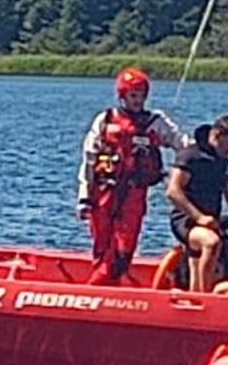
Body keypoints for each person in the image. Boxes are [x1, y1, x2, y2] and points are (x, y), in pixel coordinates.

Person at [78, 68, 187, 285]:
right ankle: (105, 288)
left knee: (123, 249)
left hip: (134, 195)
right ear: (123, 95)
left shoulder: (155, 123)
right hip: (103, 193)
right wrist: (84, 198)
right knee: (102, 246)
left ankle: (98, 287)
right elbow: (89, 161)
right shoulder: (105, 120)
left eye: (141, 96)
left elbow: (181, 143)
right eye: (133, 95)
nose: (138, 101)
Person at [167, 113, 228, 292]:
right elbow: (173, 191)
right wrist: (199, 217)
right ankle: (206, 297)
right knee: (211, 243)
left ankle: (194, 297)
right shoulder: (191, 155)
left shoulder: (225, 163)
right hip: (186, 220)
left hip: (210, 222)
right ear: (217, 135)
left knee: (199, 259)